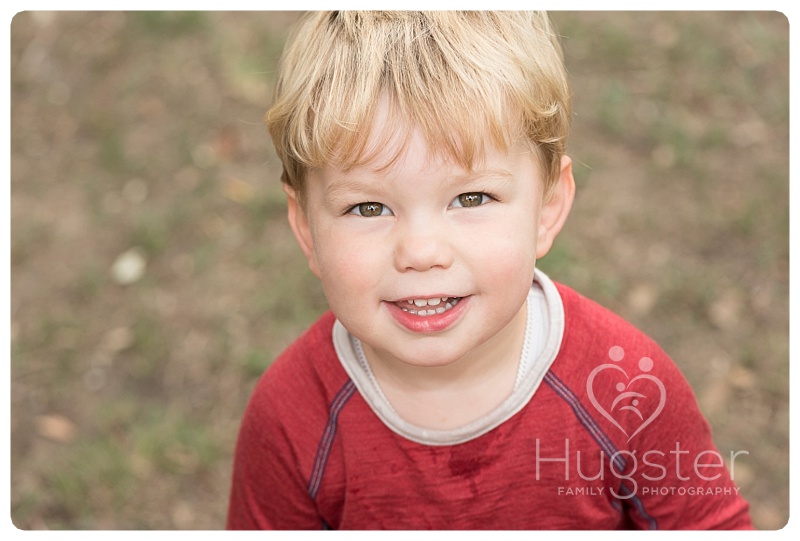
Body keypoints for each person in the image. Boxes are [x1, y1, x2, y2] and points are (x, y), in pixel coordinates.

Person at [226, 11, 753, 530]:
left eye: (470, 197)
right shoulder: (290, 418)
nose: (421, 251)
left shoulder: (625, 392)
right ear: (305, 228)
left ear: (546, 208)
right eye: (368, 208)